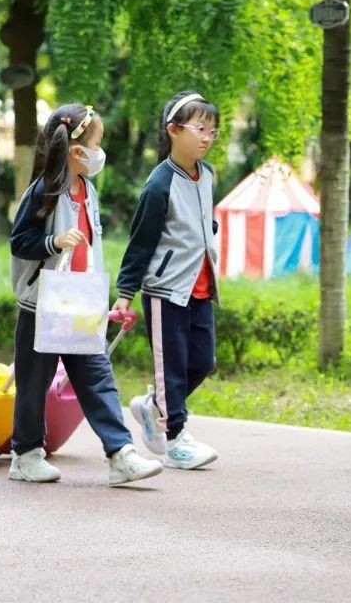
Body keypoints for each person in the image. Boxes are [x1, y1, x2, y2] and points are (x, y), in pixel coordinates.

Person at [9, 103, 161, 486]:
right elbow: (19, 241)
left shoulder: (88, 191)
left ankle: (121, 454)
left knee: (98, 377)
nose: (100, 154)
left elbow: (89, 248)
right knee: (34, 383)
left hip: (80, 302)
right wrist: (53, 241)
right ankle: (25, 455)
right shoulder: (44, 189)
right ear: (77, 151)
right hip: (43, 303)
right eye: (97, 144)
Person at [114, 91, 220, 470]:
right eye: (201, 128)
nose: (208, 137)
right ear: (174, 130)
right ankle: (174, 437)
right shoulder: (159, 183)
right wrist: (126, 292)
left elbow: (204, 220)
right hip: (165, 290)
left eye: (213, 131)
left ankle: (155, 405)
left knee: (203, 362)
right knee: (171, 367)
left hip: (201, 288)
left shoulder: (207, 175)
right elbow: (141, 239)